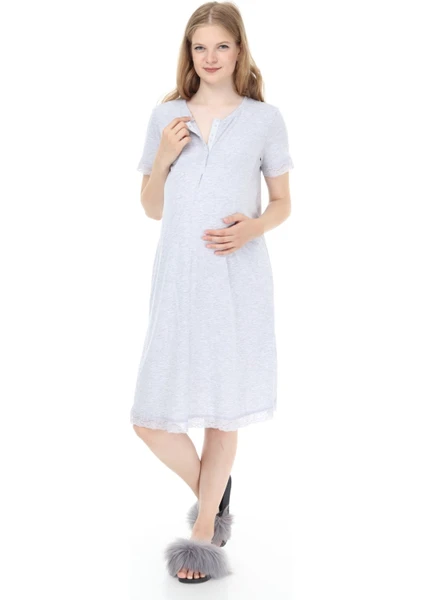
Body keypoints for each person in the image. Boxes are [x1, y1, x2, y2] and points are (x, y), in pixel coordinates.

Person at [131, 1, 294, 584]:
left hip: (235, 278)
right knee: (149, 419)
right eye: (200, 47)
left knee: (223, 413)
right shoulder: (167, 117)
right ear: (189, 53)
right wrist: (165, 157)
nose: (211, 57)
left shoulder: (264, 119)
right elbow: (151, 208)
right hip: (178, 279)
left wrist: (251, 228)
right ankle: (215, 492)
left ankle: (204, 532)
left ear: (239, 49)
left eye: (221, 45)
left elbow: (283, 203)